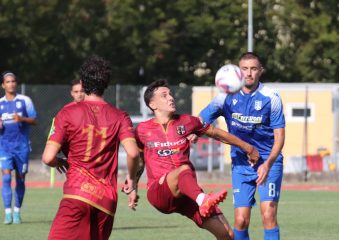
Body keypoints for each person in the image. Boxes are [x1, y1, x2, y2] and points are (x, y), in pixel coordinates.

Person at [123, 79, 260, 240]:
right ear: (152, 104)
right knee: (184, 169)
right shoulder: (141, 130)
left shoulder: (187, 121)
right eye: (164, 95)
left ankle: (202, 201)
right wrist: (133, 187)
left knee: (227, 234)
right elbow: (139, 161)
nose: (171, 98)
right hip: (159, 192)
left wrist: (248, 147)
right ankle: (203, 200)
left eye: (171, 94)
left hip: (187, 194)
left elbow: (216, 132)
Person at [42, 55, 140, 240]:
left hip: (77, 195)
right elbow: (133, 153)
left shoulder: (68, 113)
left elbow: (48, 158)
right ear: (106, 84)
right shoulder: (120, 116)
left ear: (82, 82)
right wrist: (131, 180)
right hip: (106, 201)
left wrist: (58, 162)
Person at [199, 52, 285, 240]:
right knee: (240, 220)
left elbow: (280, 137)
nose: (249, 73)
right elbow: (200, 121)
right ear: (239, 71)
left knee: (268, 215)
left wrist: (268, 163)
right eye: (244, 69)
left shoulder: (271, 97)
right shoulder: (224, 97)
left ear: (260, 71)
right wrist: (189, 132)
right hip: (240, 164)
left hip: (268, 162)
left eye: (254, 69)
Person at [0, 71, 37, 225]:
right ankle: (7, 213)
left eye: (13, 81)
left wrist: (21, 118)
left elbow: (34, 120)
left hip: (22, 147)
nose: (11, 84)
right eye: (8, 81)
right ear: (3, 85)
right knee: (6, 178)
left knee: (20, 180)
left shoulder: (25, 100)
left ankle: (17, 212)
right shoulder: (0, 103)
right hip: (4, 147)